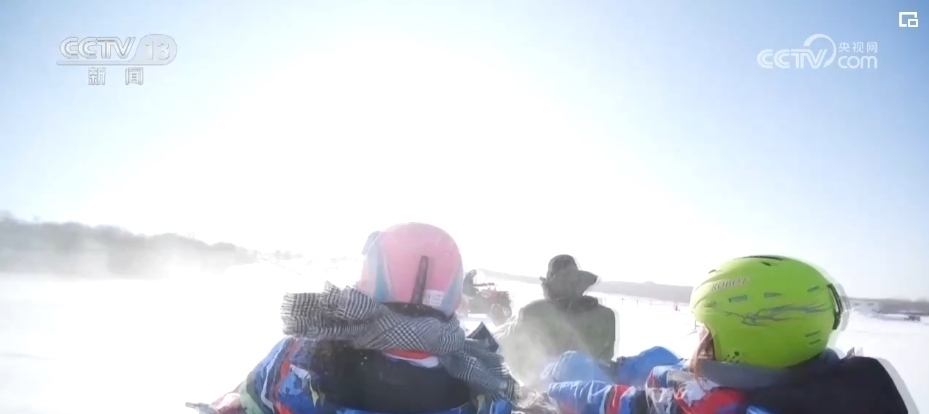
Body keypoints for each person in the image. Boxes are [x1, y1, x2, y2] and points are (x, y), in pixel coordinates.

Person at [541, 255, 915, 414]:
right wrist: (621, 369)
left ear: (745, 340)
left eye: (707, 331)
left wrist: (556, 392)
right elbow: (676, 370)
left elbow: (629, 405)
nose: (700, 342)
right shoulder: (851, 381)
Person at [211, 222, 519, 414]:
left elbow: (243, 401)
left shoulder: (297, 358)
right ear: (455, 299)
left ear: (367, 285)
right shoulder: (486, 383)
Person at [495, 254, 616, 383]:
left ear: (549, 287)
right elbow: (605, 363)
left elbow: (508, 351)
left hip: (547, 388)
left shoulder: (533, 312)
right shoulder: (606, 316)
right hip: (592, 389)